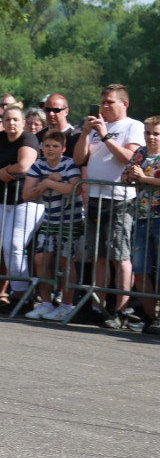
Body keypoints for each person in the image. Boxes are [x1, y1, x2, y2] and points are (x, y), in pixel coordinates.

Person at [72, 84, 145, 329]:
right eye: (102, 102)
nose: (104, 106)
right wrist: (85, 133)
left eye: (109, 102)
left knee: (120, 257)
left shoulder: (133, 126)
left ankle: (123, 310)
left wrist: (104, 135)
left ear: (124, 104)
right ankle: (98, 307)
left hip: (119, 199)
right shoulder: (95, 127)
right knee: (98, 257)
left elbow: (130, 159)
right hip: (95, 198)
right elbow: (79, 159)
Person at [0, 105, 44, 309]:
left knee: (14, 247)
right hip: (1, 200)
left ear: (23, 123)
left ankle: (23, 296)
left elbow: (24, 166)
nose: (11, 123)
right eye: (7, 120)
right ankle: (18, 294)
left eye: (15, 120)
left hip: (27, 200)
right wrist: (0, 173)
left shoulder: (28, 139)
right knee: (6, 250)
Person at [22, 130, 83, 321]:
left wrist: (47, 183)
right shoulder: (38, 164)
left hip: (70, 220)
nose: (50, 149)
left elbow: (75, 188)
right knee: (40, 259)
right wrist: (48, 182)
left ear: (63, 149)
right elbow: (26, 194)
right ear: (41, 147)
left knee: (66, 262)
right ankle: (47, 303)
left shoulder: (68, 164)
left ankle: (66, 304)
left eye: (55, 146)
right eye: (47, 146)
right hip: (50, 220)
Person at [120, 116, 160, 334]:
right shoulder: (140, 153)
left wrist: (143, 178)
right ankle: (150, 317)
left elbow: (144, 178)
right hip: (142, 217)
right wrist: (131, 177)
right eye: (148, 133)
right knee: (141, 270)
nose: (151, 137)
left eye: (156, 133)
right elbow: (124, 176)